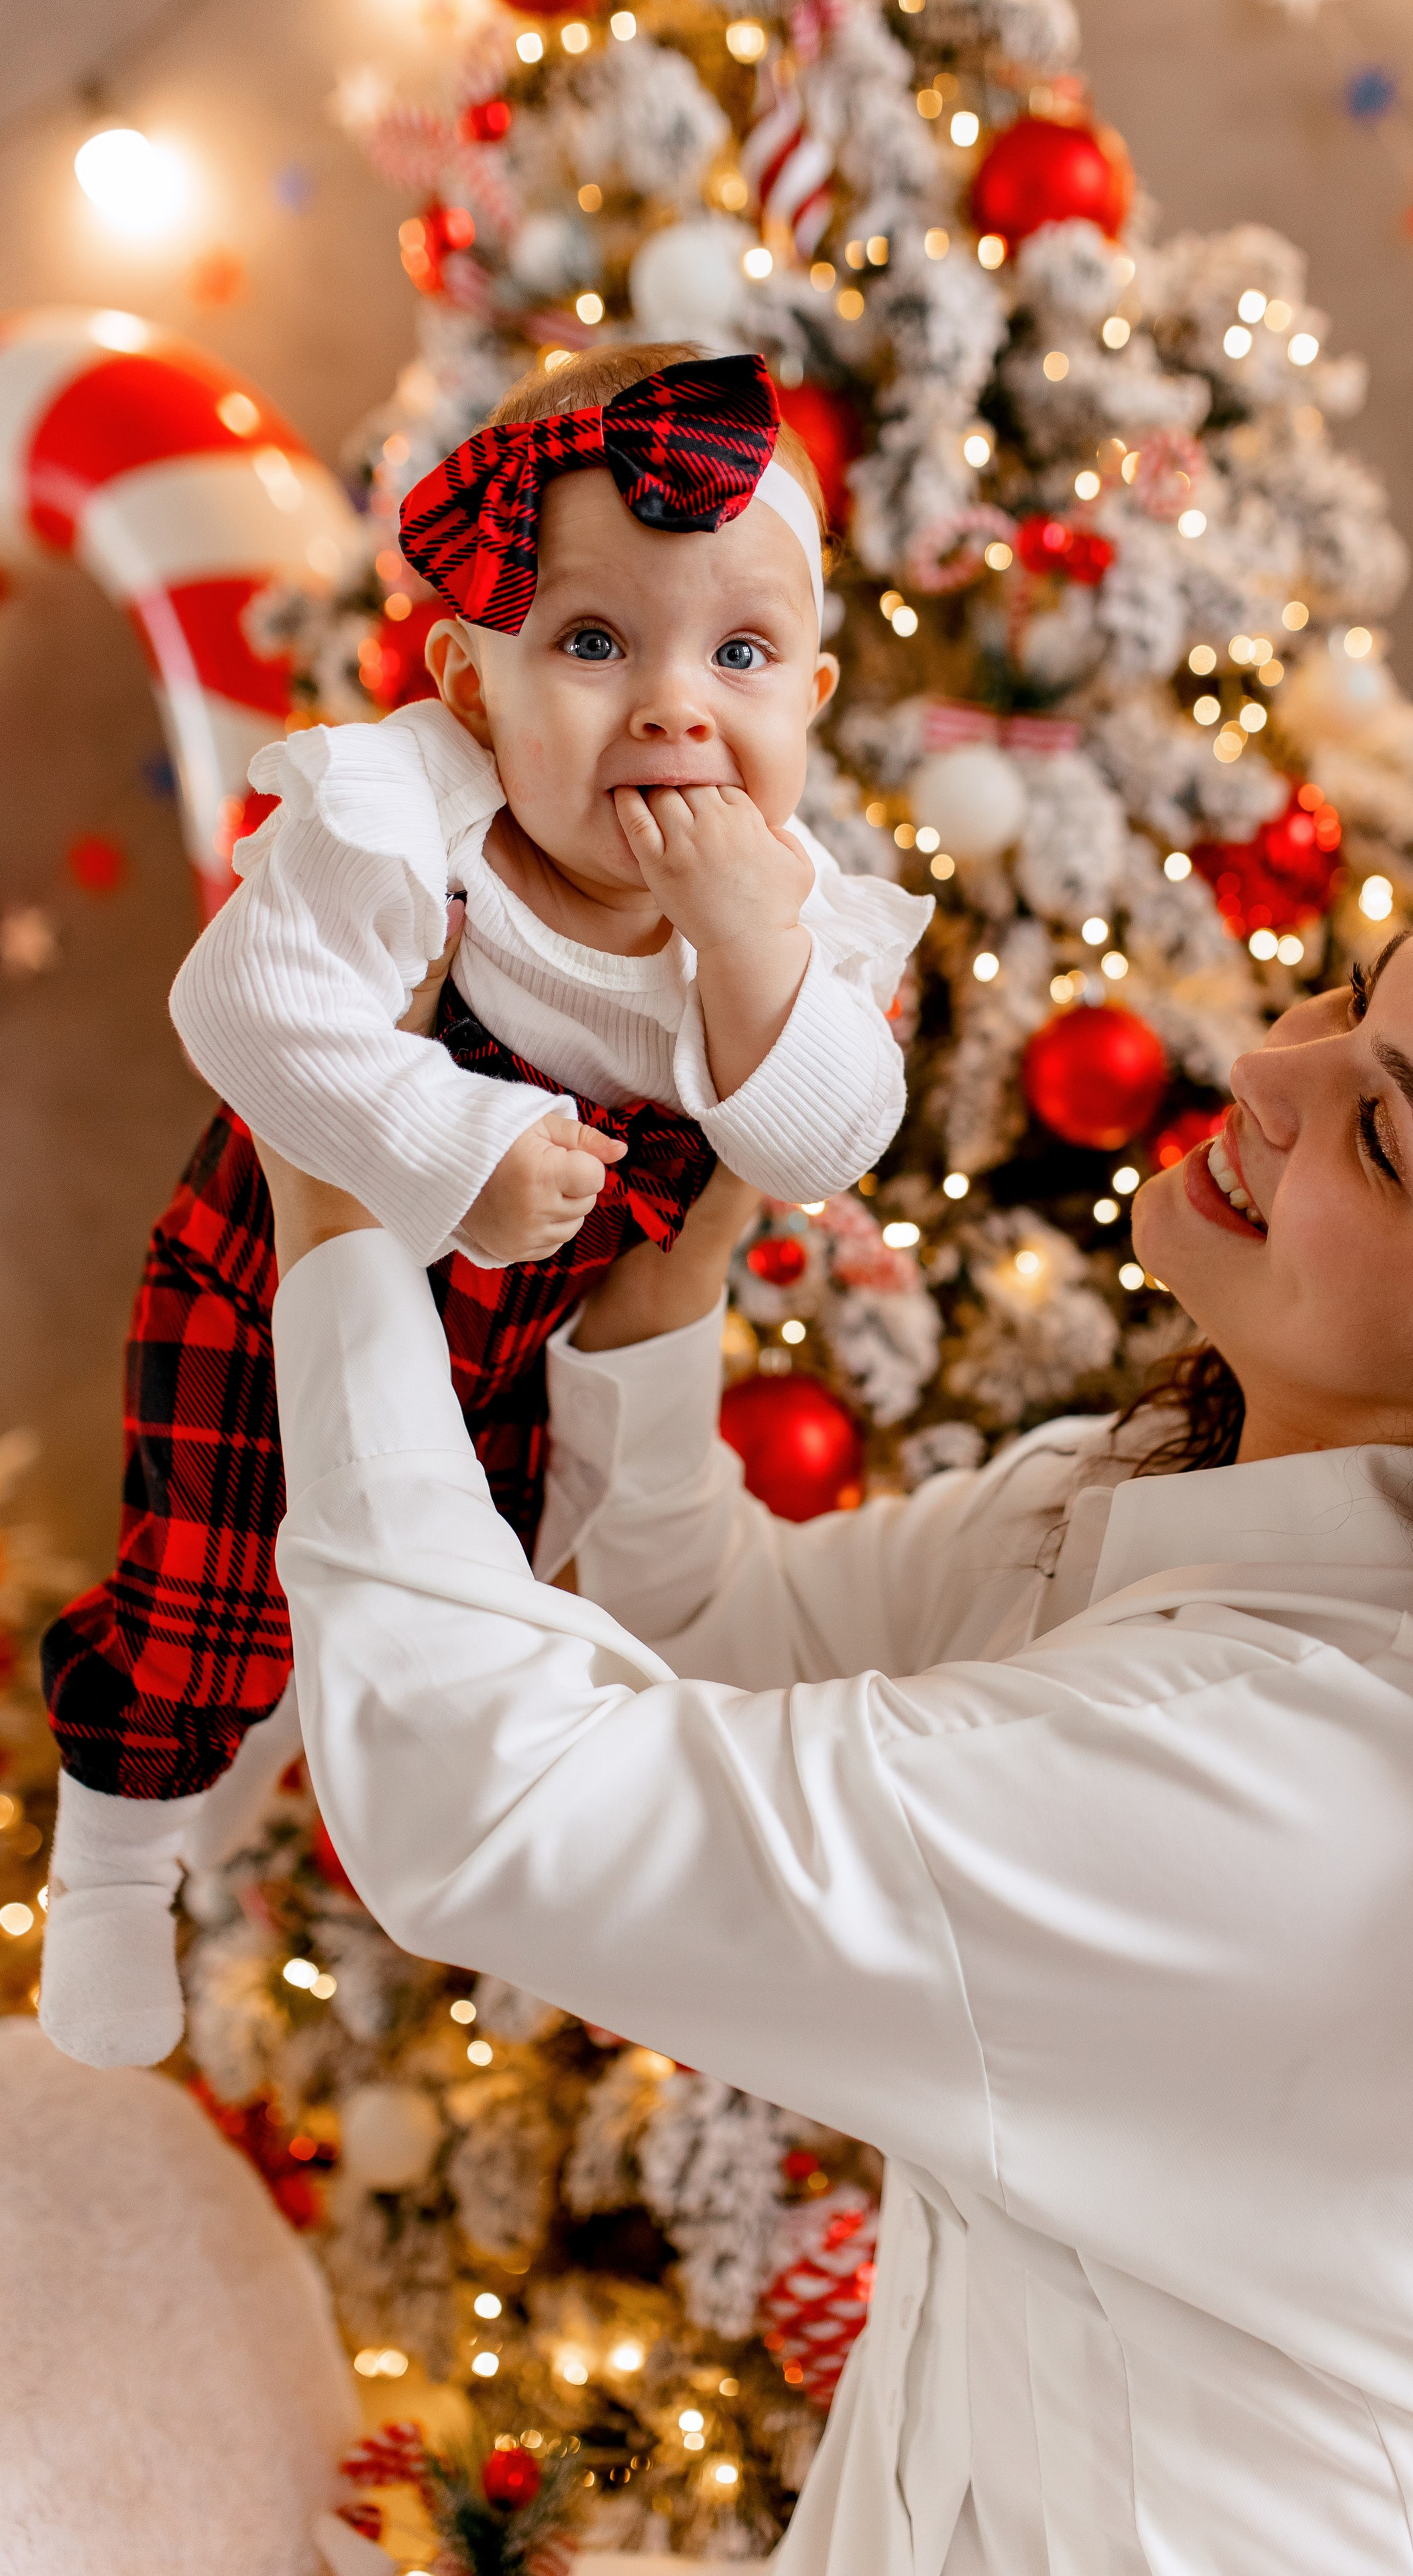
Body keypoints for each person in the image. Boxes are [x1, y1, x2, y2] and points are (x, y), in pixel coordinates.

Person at [258, 830, 1413, 2575]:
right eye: (1358, 991)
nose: (1269, 1061)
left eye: (1382, 1134)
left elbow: (491, 1807)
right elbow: (720, 1624)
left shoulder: (1301, 1784)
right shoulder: (1178, 1488)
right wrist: (663, 1296)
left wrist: (337, 1212)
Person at [38, 344, 928, 2072]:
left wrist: (751, 945)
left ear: (811, 695)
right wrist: (445, 1134)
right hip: (261, 1287)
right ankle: (113, 1857)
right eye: (594, 645)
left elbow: (825, 1139)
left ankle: (255, 1812)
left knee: (438, 1616)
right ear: (469, 682)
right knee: (206, 1592)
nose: (677, 707)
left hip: (509, 1359)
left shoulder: (786, 908)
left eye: (739, 654)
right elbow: (241, 1011)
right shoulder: (410, 820)